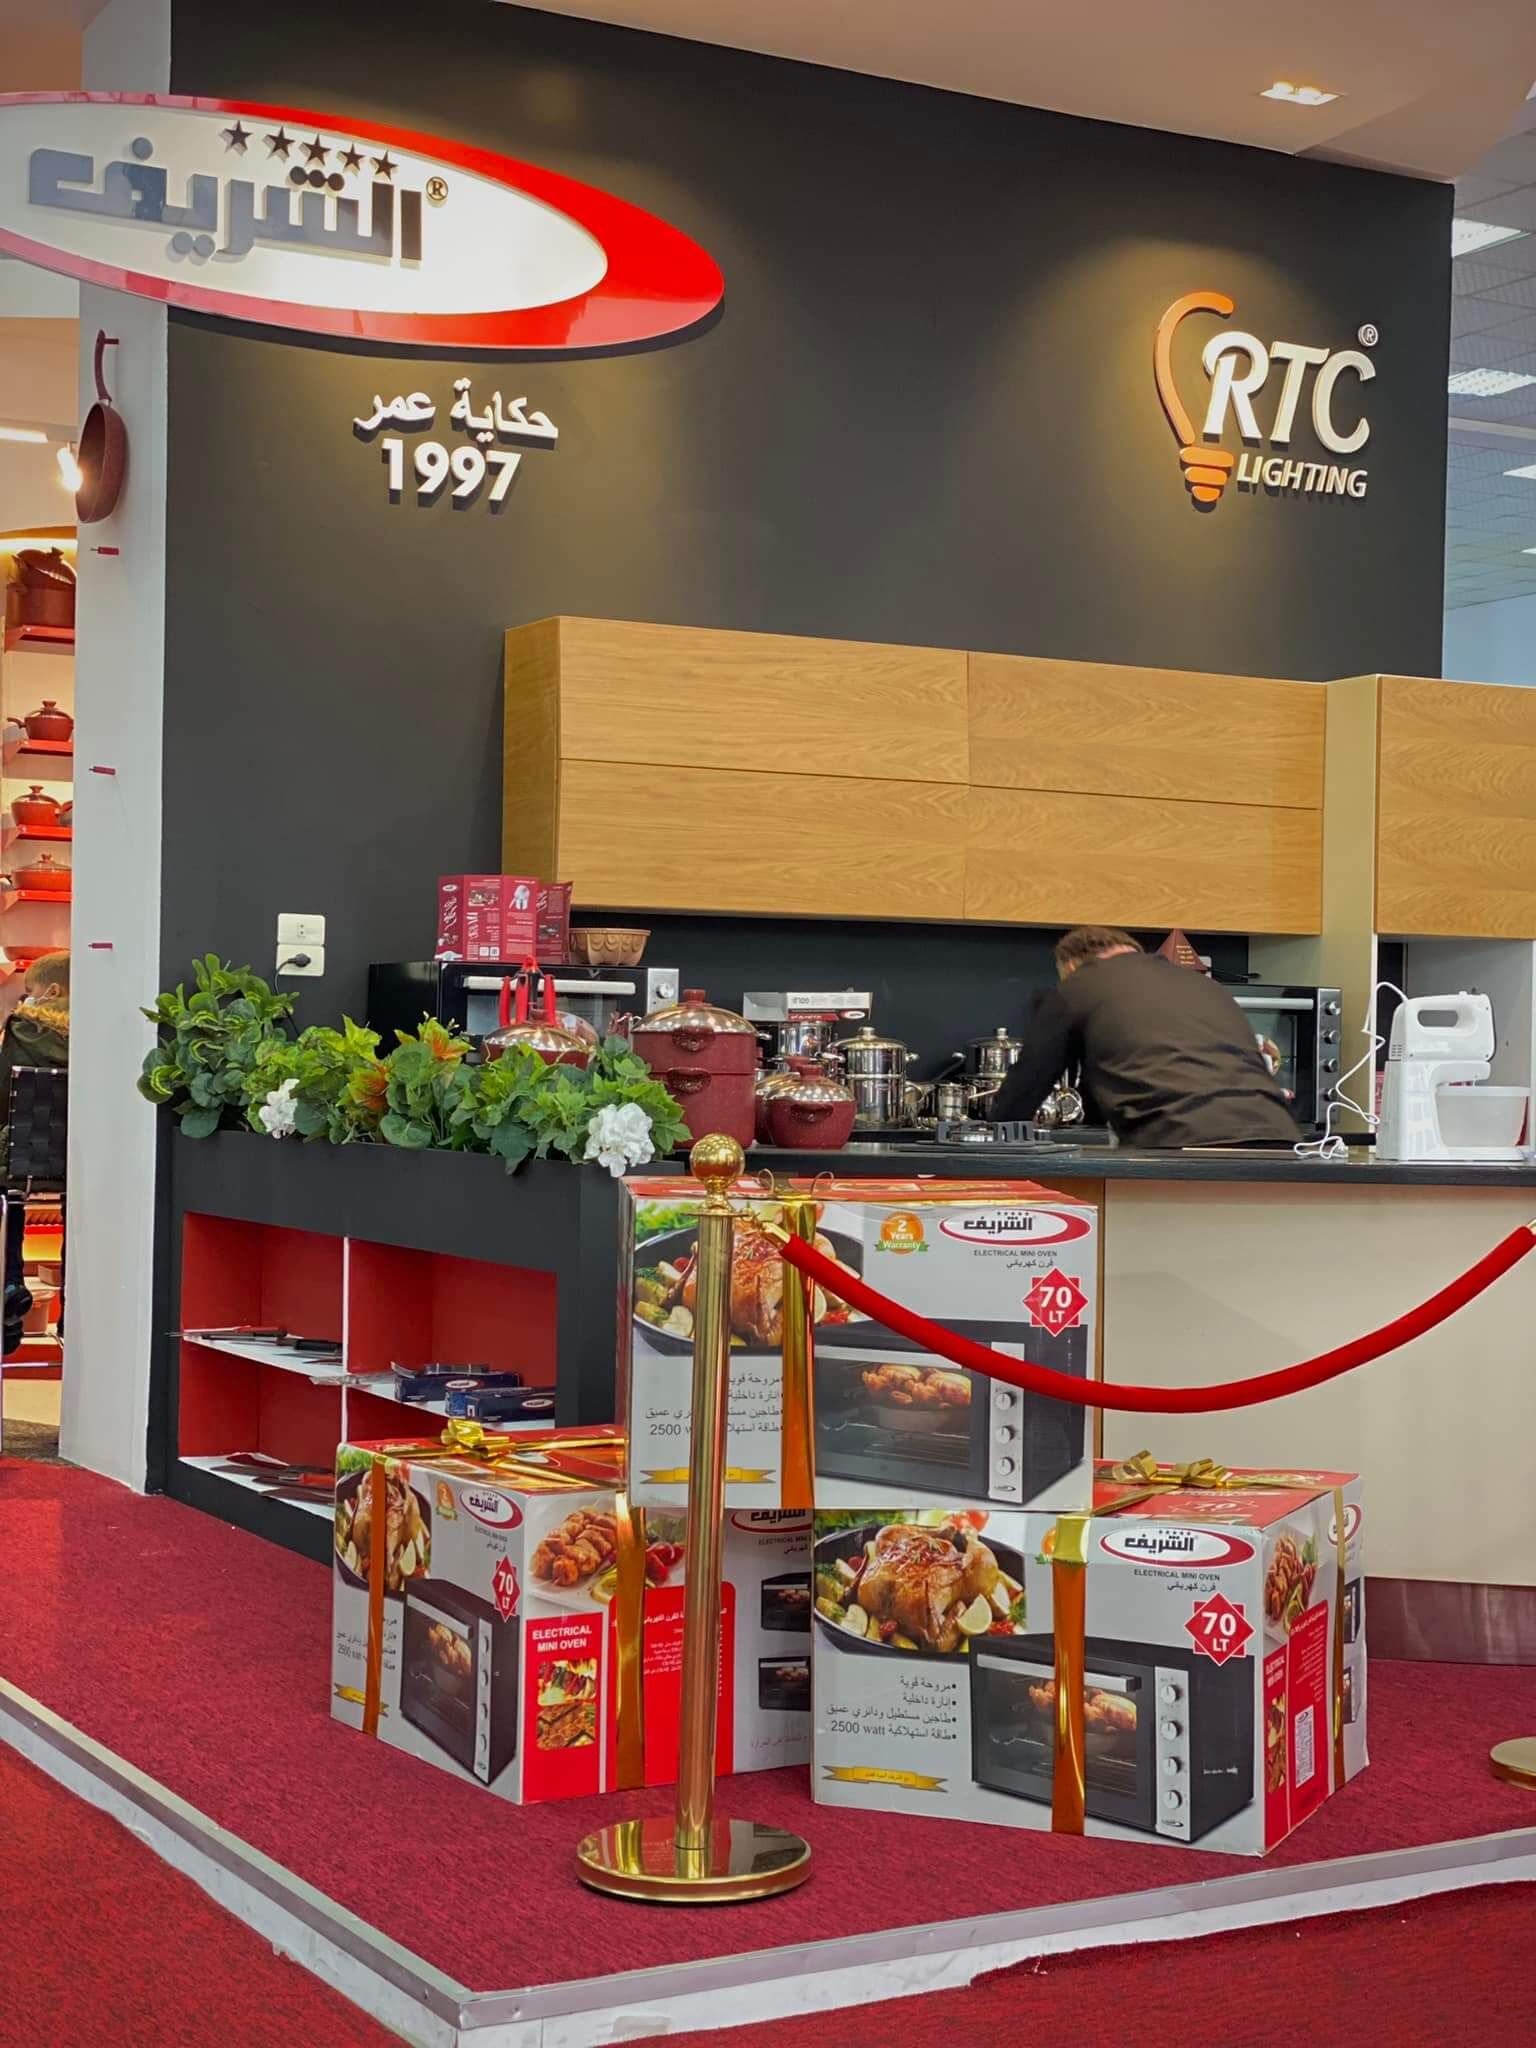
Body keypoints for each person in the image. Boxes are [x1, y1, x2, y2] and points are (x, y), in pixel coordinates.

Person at [987, 927, 1300, 1149]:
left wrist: (997, 1133)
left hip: (1176, 1137)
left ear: (1070, 966)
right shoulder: (1202, 985)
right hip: (1277, 1136)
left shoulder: (1079, 985)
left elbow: (1031, 1078)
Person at [1, 951, 69, 1358]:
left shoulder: (21, 1031)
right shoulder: (101, 1037)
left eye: (30, 991)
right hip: (77, 1168)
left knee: (6, 1195)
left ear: (53, 991)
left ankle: (10, 1284)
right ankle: (73, 1311)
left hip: (21, 1164)